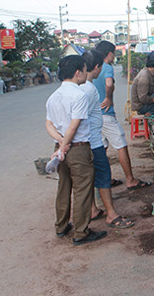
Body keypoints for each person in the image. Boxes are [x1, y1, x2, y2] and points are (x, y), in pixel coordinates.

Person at [45, 55, 107, 245]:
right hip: (77, 148)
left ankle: (61, 226)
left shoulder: (53, 96)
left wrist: (60, 144)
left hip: (61, 148)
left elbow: (48, 124)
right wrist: (66, 144)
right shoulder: (78, 95)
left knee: (63, 187)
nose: (86, 73)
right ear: (78, 72)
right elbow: (74, 124)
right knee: (82, 189)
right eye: (85, 70)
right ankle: (81, 231)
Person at [81, 50, 134, 229]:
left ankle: (93, 209)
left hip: (85, 141)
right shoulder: (88, 89)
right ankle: (111, 214)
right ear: (97, 67)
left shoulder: (76, 88)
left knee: (89, 176)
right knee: (103, 175)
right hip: (92, 140)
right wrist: (109, 98)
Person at [93, 40, 151, 190]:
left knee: (102, 148)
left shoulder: (93, 67)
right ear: (110, 53)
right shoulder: (106, 67)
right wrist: (108, 97)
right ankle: (130, 179)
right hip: (106, 114)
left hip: (95, 115)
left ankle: (105, 179)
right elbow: (109, 83)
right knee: (121, 146)